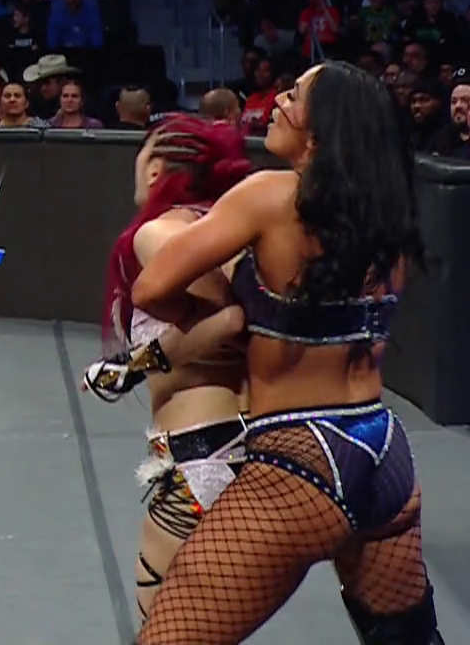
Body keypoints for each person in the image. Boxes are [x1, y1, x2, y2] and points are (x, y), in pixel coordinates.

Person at [132, 62, 442, 644]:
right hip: (384, 452)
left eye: (294, 95)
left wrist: (215, 320)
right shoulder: (385, 210)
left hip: (300, 461)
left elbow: (151, 287)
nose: (276, 100)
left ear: (319, 131)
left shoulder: (271, 196)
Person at [80, 116, 254, 621]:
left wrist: (132, 368)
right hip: (228, 441)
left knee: (167, 627)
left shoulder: (160, 234)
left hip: (204, 452)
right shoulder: (219, 229)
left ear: (156, 169)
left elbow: (233, 318)